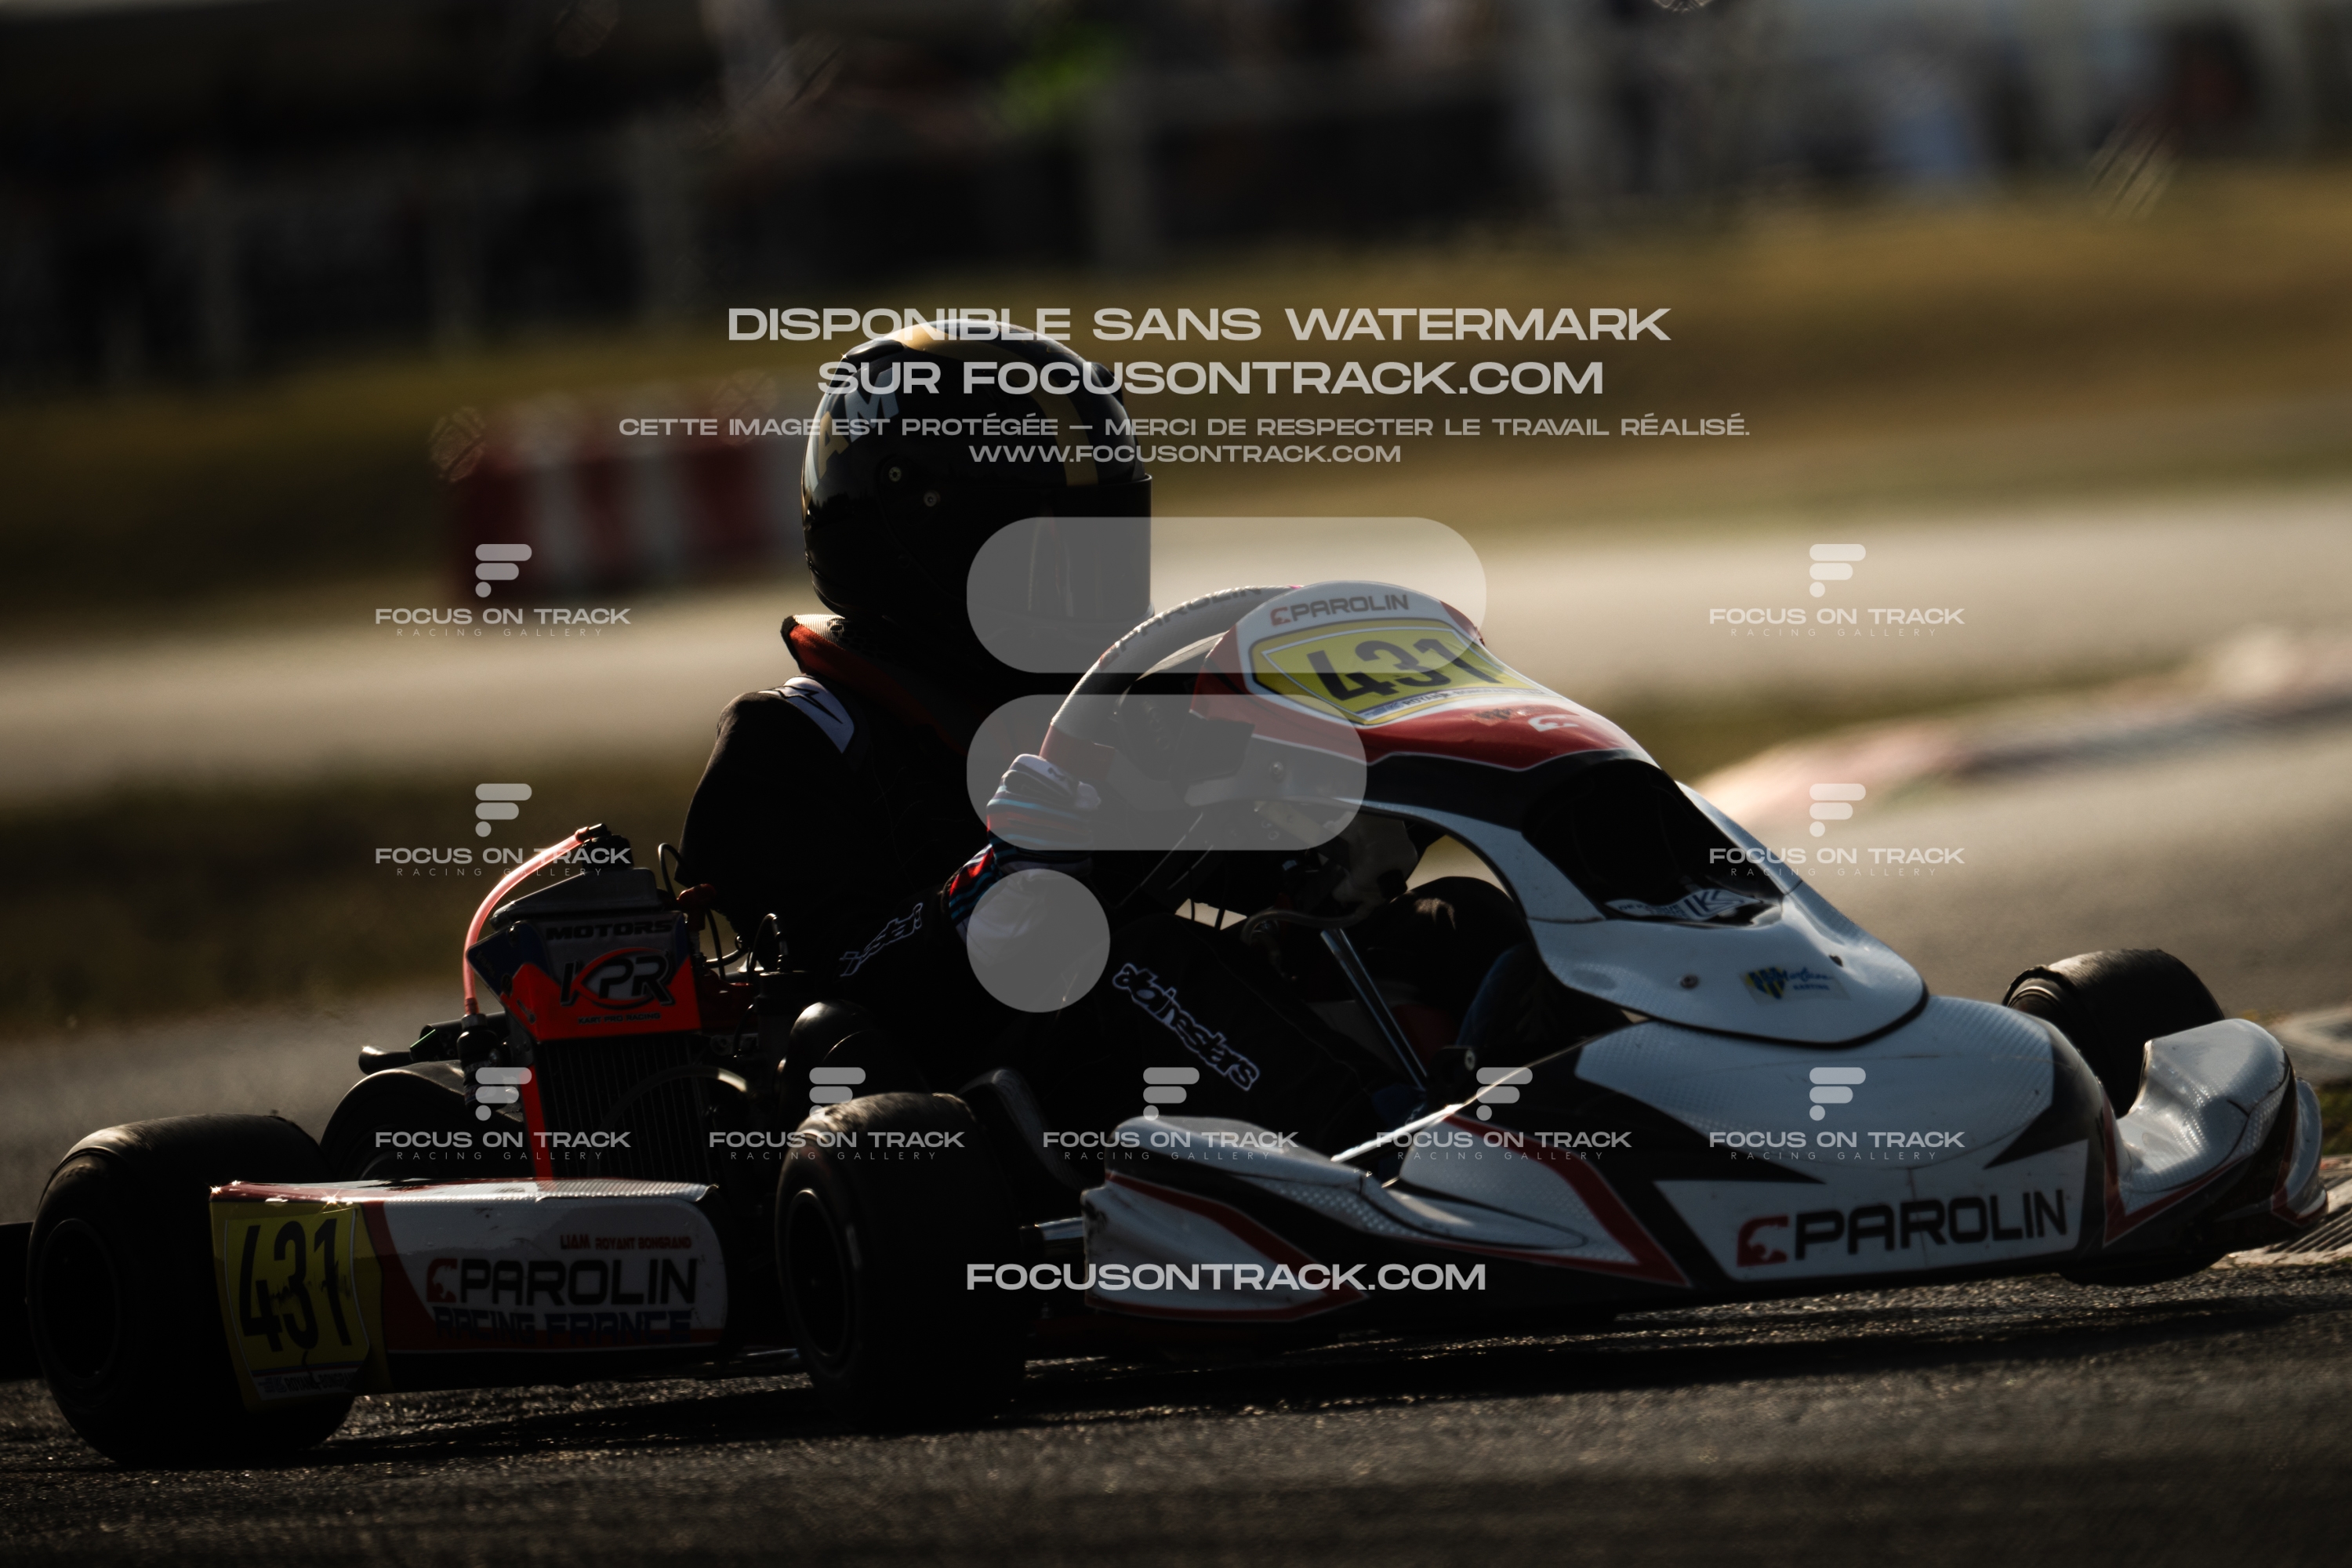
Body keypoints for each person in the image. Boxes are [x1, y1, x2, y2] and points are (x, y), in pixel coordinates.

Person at [678, 320, 1523, 1155]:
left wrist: (1347, 817)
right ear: (918, 539)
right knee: (1132, 958)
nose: (1088, 578)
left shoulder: (1117, 703)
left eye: (1102, 542)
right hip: (965, 1101)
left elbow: (1251, 871)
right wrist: (993, 885)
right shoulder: (792, 741)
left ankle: (1564, 1128)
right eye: (1047, 550)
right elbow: (840, 982)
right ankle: (1397, 1158)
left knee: (1455, 923)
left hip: (1147, 1043)